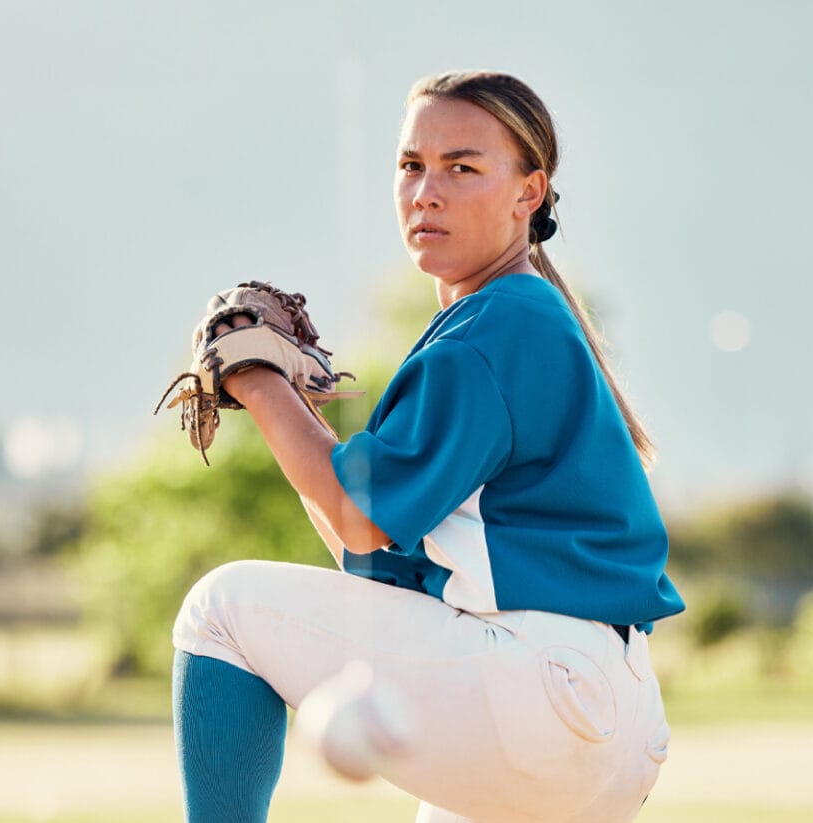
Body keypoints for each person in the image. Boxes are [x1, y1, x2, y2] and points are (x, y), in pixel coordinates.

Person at [168, 70, 685, 823]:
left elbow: (358, 515)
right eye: (412, 164)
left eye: (463, 166)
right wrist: (291, 411)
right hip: (603, 719)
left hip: (545, 688)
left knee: (221, 610)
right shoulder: (514, 318)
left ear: (528, 192)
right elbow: (371, 557)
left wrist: (257, 381)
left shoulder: (494, 326)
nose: (427, 190)